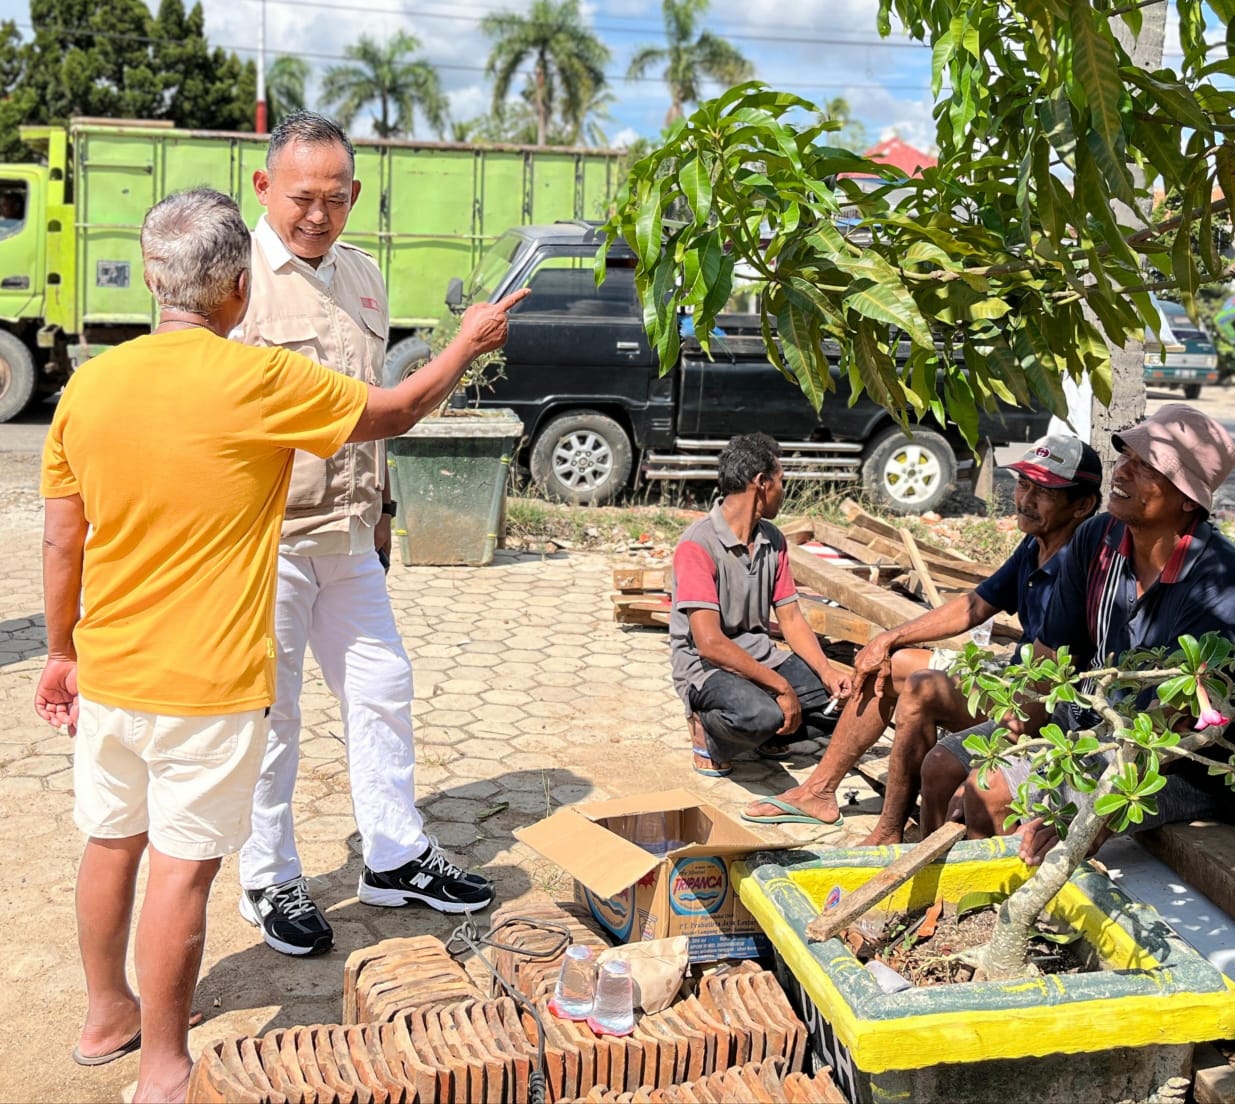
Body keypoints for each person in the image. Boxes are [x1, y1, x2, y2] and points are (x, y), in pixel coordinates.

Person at [34, 186, 524, 1104]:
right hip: (208, 685)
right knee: (182, 872)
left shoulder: (89, 385)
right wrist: (466, 340)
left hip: (107, 671)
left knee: (111, 844)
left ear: (152, 278)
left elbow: (65, 540)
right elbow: (395, 410)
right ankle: (164, 1065)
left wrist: (61, 653)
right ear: (236, 294)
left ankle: (107, 1016)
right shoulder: (256, 379)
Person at [230, 112, 493, 958]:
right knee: (271, 718)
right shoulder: (233, 283)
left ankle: (394, 853)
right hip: (263, 538)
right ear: (264, 188)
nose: (319, 214)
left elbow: (373, 411)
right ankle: (268, 873)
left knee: (383, 689)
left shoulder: (365, 277)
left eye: (337, 198)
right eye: (303, 197)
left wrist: (381, 513)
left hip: (347, 534)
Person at [742, 435, 1103, 831]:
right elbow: (974, 606)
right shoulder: (1036, 545)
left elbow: (1042, 688)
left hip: (1045, 704)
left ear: (1082, 505)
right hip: (1012, 681)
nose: (1025, 499)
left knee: (920, 688)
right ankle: (820, 792)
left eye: (1043, 492)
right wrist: (890, 637)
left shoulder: (1079, 565)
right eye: (1023, 485)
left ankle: (889, 830)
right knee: (890, 664)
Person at [935, 405, 1235, 861]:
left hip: (1179, 762)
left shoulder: (1218, 580)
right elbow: (1048, 664)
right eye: (1126, 456)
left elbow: (1172, 726)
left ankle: (1013, 919)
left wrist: (1094, 811)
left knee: (994, 793)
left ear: (1188, 499)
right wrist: (1002, 744)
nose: (1124, 471)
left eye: (1146, 465)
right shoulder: (1098, 539)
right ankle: (947, 901)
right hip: (1094, 724)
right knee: (953, 768)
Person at [670, 433, 852, 788]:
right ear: (761, 483)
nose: (783, 490)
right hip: (708, 669)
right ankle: (706, 730)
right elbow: (709, 643)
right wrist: (782, 688)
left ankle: (772, 732)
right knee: (759, 714)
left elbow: (792, 619)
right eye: (781, 480)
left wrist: (828, 673)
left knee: (844, 704)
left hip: (761, 661)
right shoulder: (698, 544)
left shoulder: (773, 539)